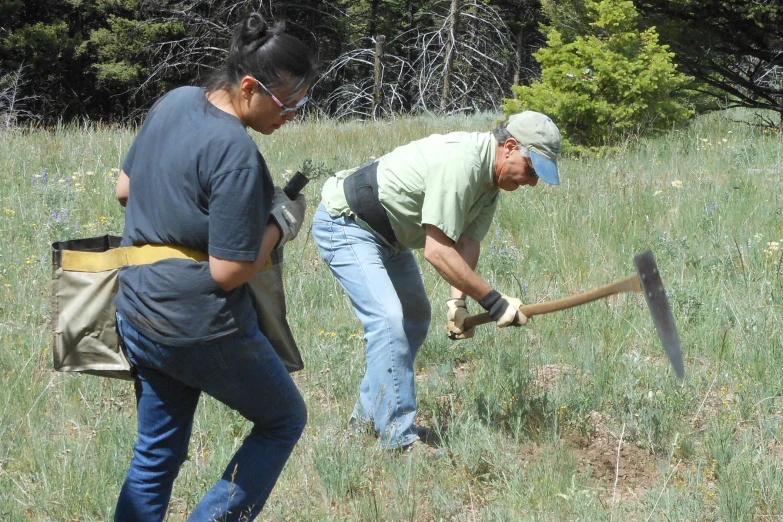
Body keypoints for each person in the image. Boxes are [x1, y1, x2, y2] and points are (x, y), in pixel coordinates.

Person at [112, 13, 317, 522]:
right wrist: (282, 224)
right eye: (288, 103)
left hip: (137, 307)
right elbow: (228, 272)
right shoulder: (237, 152)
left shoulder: (176, 100)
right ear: (249, 87)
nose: (292, 115)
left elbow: (124, 188)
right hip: (196, 324)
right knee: (284, 419)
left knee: (156, 453)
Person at [312, 111, 561, 450]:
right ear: (510, 147)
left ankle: (366, 420)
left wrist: (457, 302)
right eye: (531, 170)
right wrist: (495, 301)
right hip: (348, 224)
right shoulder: (462, 163)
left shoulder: (491, 182)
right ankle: (398, 440)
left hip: (391, 237)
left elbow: (466, 242)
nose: (531, 183)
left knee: (415, 317)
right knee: (388, 321)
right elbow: (438, 251)